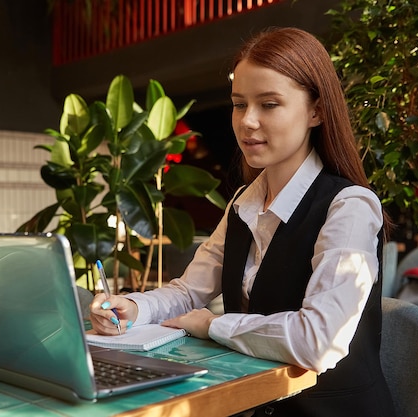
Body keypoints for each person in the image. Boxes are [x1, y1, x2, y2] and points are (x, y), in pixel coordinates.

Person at [90, 27, 395, 417]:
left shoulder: (348, 206)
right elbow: (188, 292)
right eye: (238, 104)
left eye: (269, 104)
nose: (247, 121)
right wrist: (132, 308)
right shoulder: (242, 203)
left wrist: (214, 325)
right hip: (252, 404)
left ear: (316, 110)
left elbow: (319, 339)